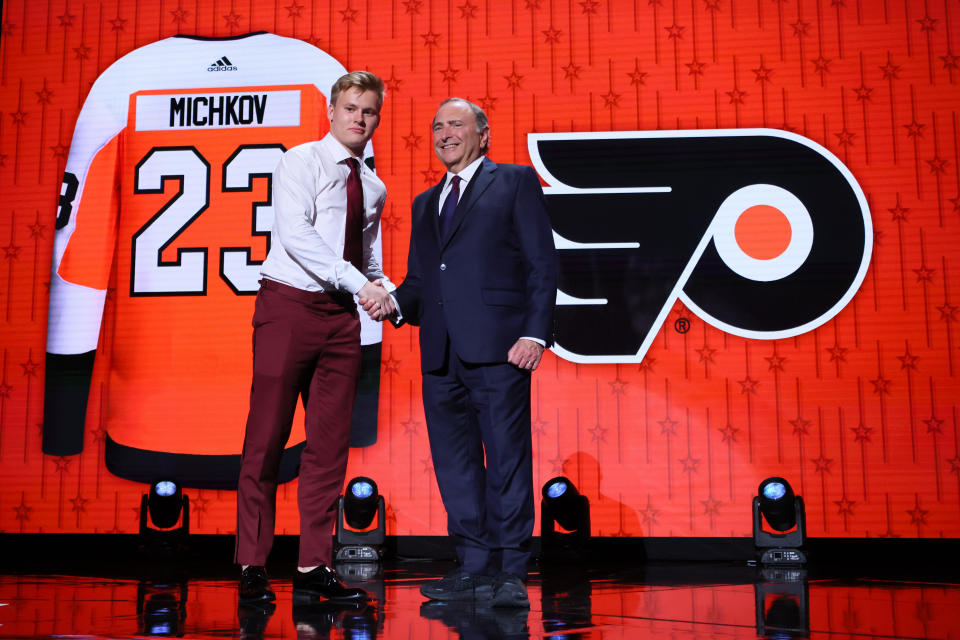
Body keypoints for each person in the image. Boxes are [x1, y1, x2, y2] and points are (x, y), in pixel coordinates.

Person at [364, 97, 557, 608]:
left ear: (483, 135)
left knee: (508, 461)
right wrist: (393, 304)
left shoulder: (513, 182)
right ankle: (473, 566)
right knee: (456, 465)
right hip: (441, 355)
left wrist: (534, 335)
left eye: (456, 124)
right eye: (437, 126)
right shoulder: (427, 203)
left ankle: (510, 571)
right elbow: (423, 281)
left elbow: (542, 263)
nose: (445, 133)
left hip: (501, 351)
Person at [234, 70, 395, 606]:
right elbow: (296, 234)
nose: (359, 118)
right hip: (288, 306)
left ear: (377, 117)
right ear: (332, 110)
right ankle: (253, 564)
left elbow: (368, 258)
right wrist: (360, 284)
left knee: (328, 448)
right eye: (351, 107)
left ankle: (313, 564)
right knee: (267, 438)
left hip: (341, 320)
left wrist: (385, 291)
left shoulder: (373, 186)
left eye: (369, 111)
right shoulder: (300, 160)